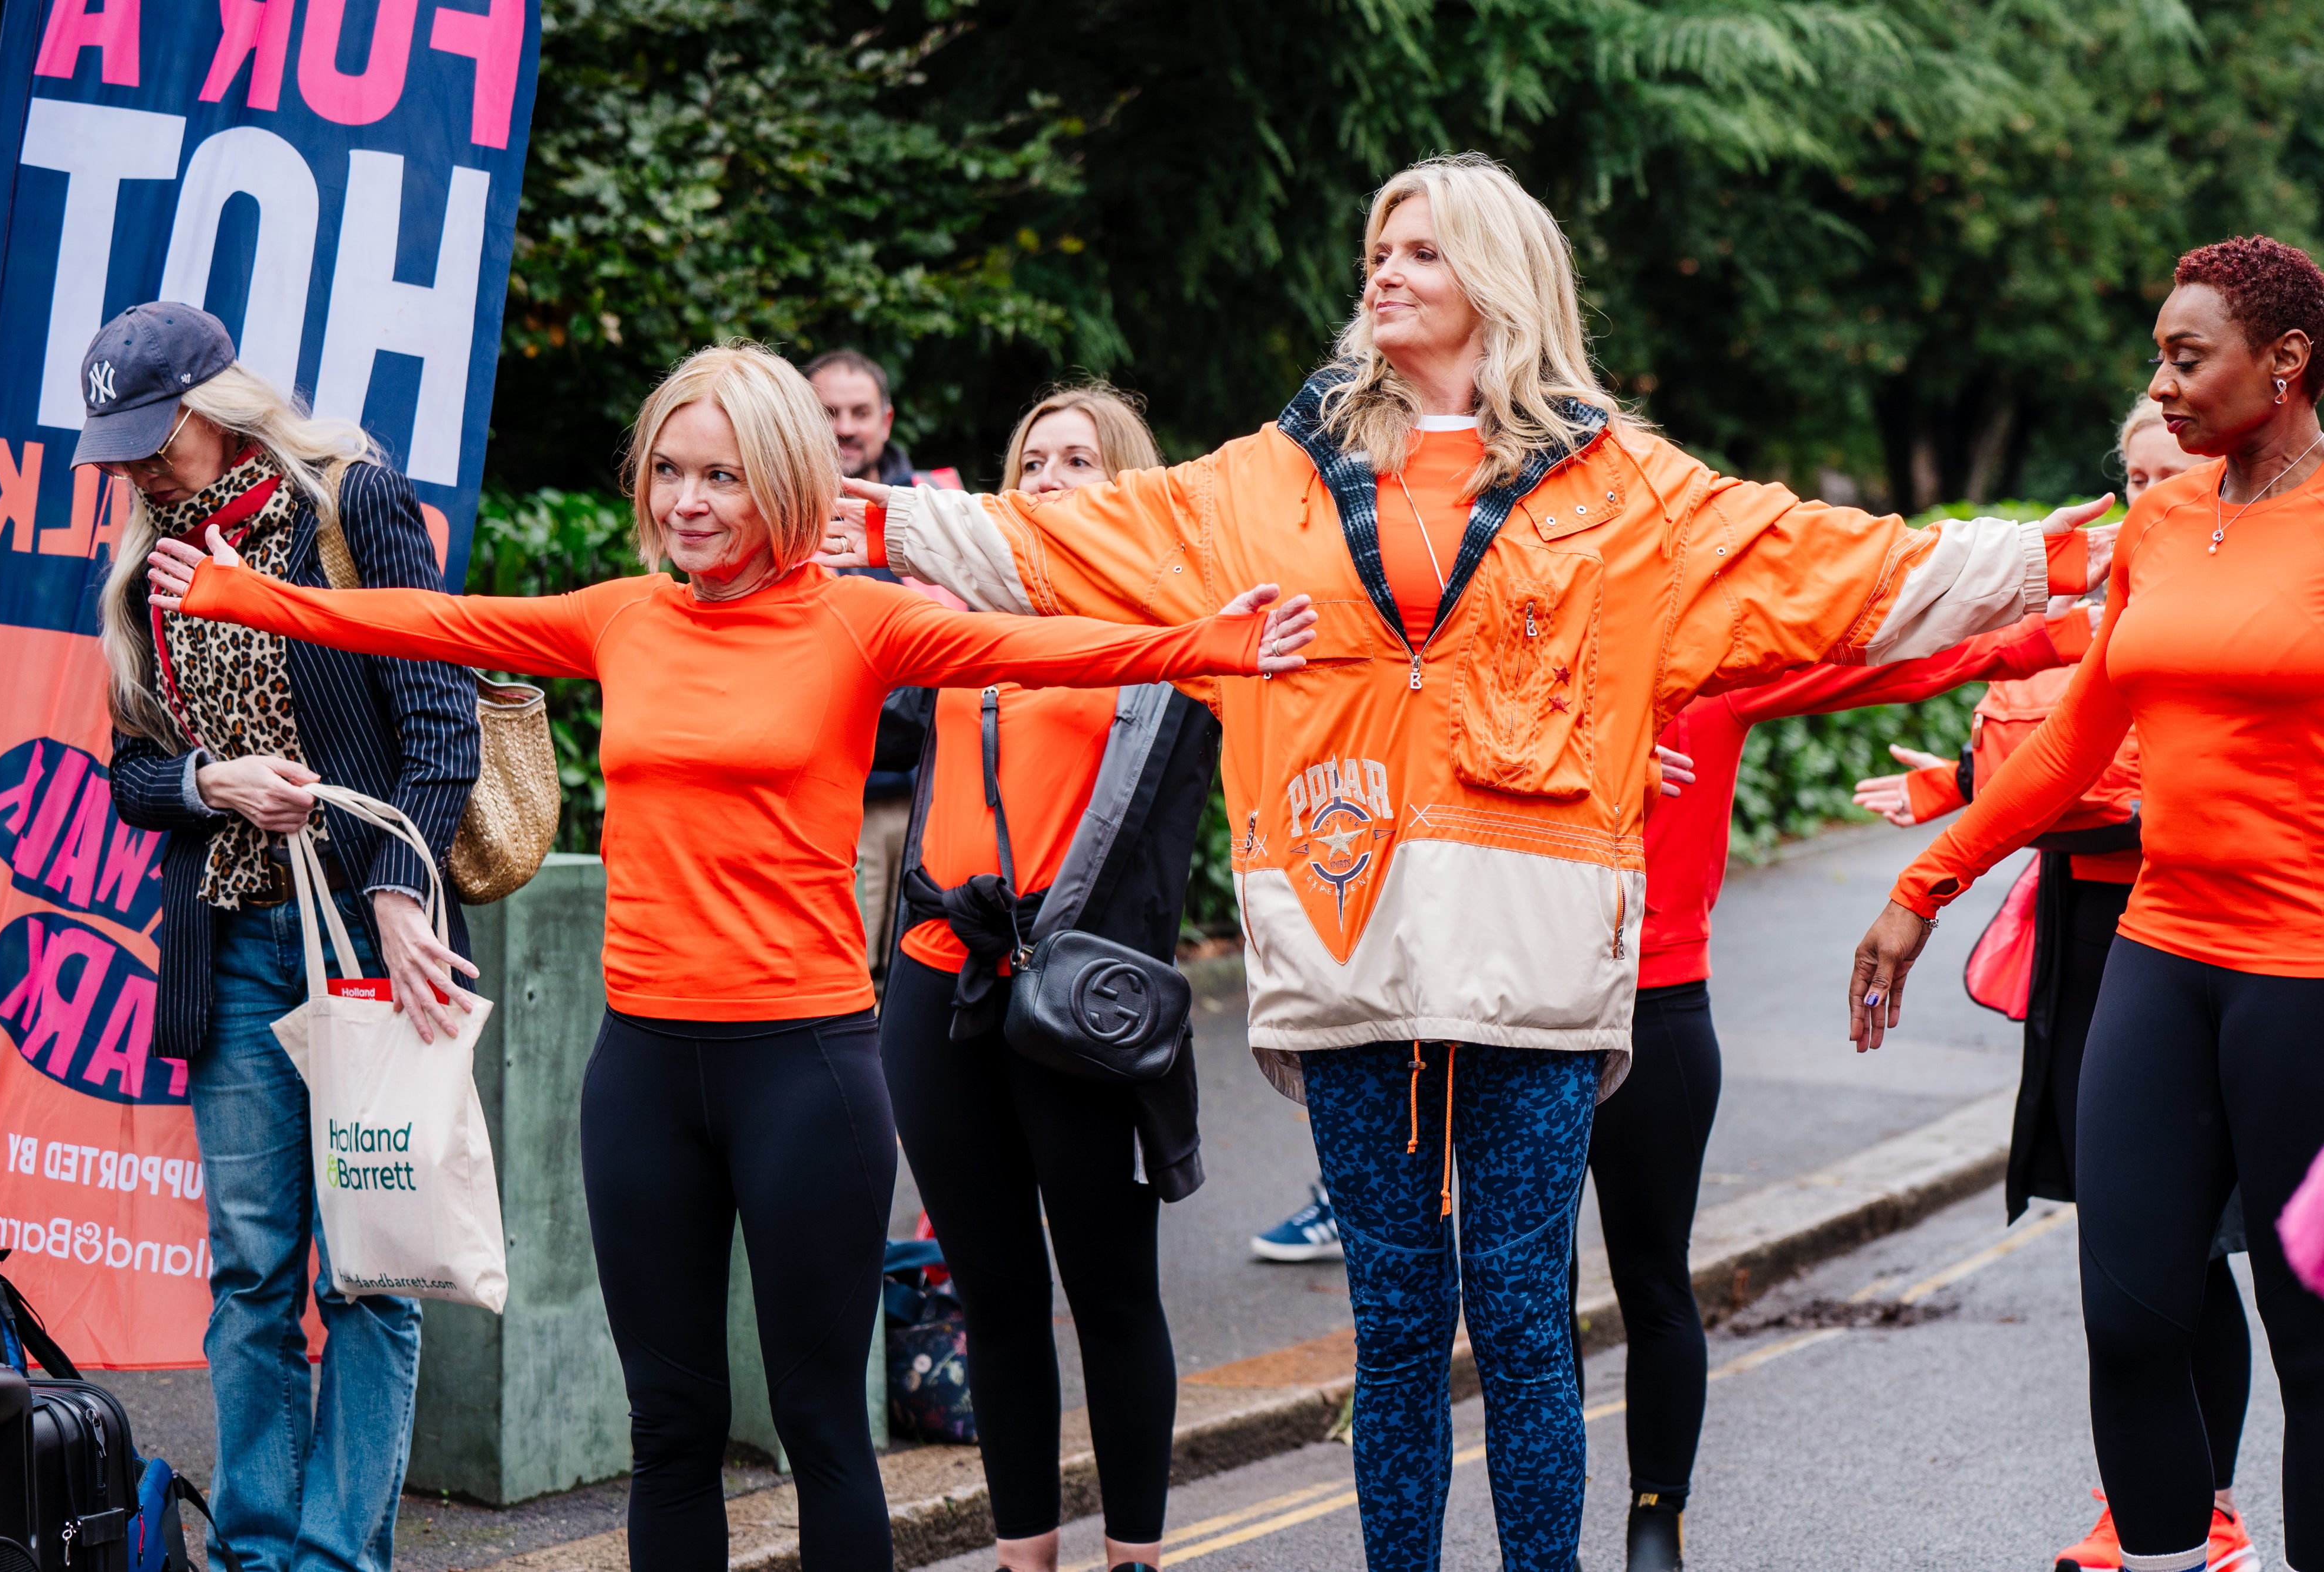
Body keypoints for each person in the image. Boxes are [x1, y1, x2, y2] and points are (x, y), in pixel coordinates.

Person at [823, 152, 2101, 1569]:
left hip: (1532, 958)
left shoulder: (1628, 491)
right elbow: (1065, 543)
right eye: (1377, 245)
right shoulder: (1272, 477)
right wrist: (876, 520)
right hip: (1348, 949)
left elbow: (1834, 571)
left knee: (1517, 1311)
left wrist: (2046, 565)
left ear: (1497, 279)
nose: (1382, 270)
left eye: (1419, 252)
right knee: (1394, 1315)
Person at [144, 341, 1316, 1572]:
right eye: (668, 472)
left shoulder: (859, 620)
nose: (687, 502)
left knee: (819, 1427)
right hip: (642, 1072)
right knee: (672, 1428)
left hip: (803, 1071)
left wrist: (1210, 641)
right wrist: (249, 597)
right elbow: (441, 619)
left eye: (721, 477)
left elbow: (1046, 649)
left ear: (784, 486)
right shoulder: (622, 615)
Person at [1850, 234, 2324, 1572]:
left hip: (2307, 982)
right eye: (2157, 357)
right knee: (2129, 1311)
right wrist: (1924, 884)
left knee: (2310, 1337)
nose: (2160, 386)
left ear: (2284, 363)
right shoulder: (2163, 525)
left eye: (2189, 357)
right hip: (2160, 955)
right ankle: (2171, 1559)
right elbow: (2068, 742)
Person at [1586, 593, 2107, 1572]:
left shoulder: (1704, 659)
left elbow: (1884, 650)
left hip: (1656, 1002)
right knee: (1521, 1302)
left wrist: (2057, 614)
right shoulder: (1491, 668)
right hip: (1515, 1015)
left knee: (1653, 1281)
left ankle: (1657, 1524)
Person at [92, 302, 482, 1572]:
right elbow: (132, 774)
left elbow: (440, 725)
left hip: (372, 939)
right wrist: (213, 782)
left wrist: (395, 892)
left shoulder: (351, 502)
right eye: (126, 445)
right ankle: (259, 1553)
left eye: (159, 434)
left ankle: (336, 1559)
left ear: (224, 398)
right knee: (252, 1273)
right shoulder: (153, 548)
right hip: (232, 937)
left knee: (369, 1271)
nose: (142, 465)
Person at [876, 383, 1208, 1572]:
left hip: (1084, 1009)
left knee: (1112, 1296)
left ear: (1130, 487)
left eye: (1080, 459)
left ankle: (1133, 1559)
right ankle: (1025, 1557)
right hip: (936, 984)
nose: (1051, 477)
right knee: (994, 1296)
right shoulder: (950, 618)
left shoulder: (1172, 637)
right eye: (1033, 459)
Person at [807, 347, 964, 976]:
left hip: (933, 789)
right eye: (828, 412)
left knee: (920, 975)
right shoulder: (781, 512)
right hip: (829, 792)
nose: (845, 426)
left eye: (859, 412)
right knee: (843, 972)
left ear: (886, 420)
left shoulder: (939, 508)